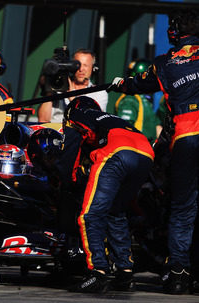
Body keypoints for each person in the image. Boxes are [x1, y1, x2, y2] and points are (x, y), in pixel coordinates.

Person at [110, 9, 199, 294]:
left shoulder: (164, 62)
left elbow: (136, 84)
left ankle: (178, 274)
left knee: (183, 209)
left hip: (185, 137)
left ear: (174, 32)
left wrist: (119, 84)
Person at [64, 96, 154, 293]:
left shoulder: (76, 115)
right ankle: (125, 272)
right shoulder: (112, 118)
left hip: (117, 151)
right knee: (116, 212)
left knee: (90, 215)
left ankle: (97, 272)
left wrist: (70, 178)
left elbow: (73, 148)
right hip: (146, 153)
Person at [38, 48, 108, 123]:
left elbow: (93, 122)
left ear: (93, 68)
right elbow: (43, 120)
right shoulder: (59, 86)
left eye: (85, 65)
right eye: (78, 65)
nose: (81, 69)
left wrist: (72, 98)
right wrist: (49, 91)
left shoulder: (99, 93)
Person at [114, 59, 161, 143]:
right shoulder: (130, 99)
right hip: (136, 149)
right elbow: (125, 129)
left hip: (147, 149)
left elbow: (157, 127)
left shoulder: (146, 100)